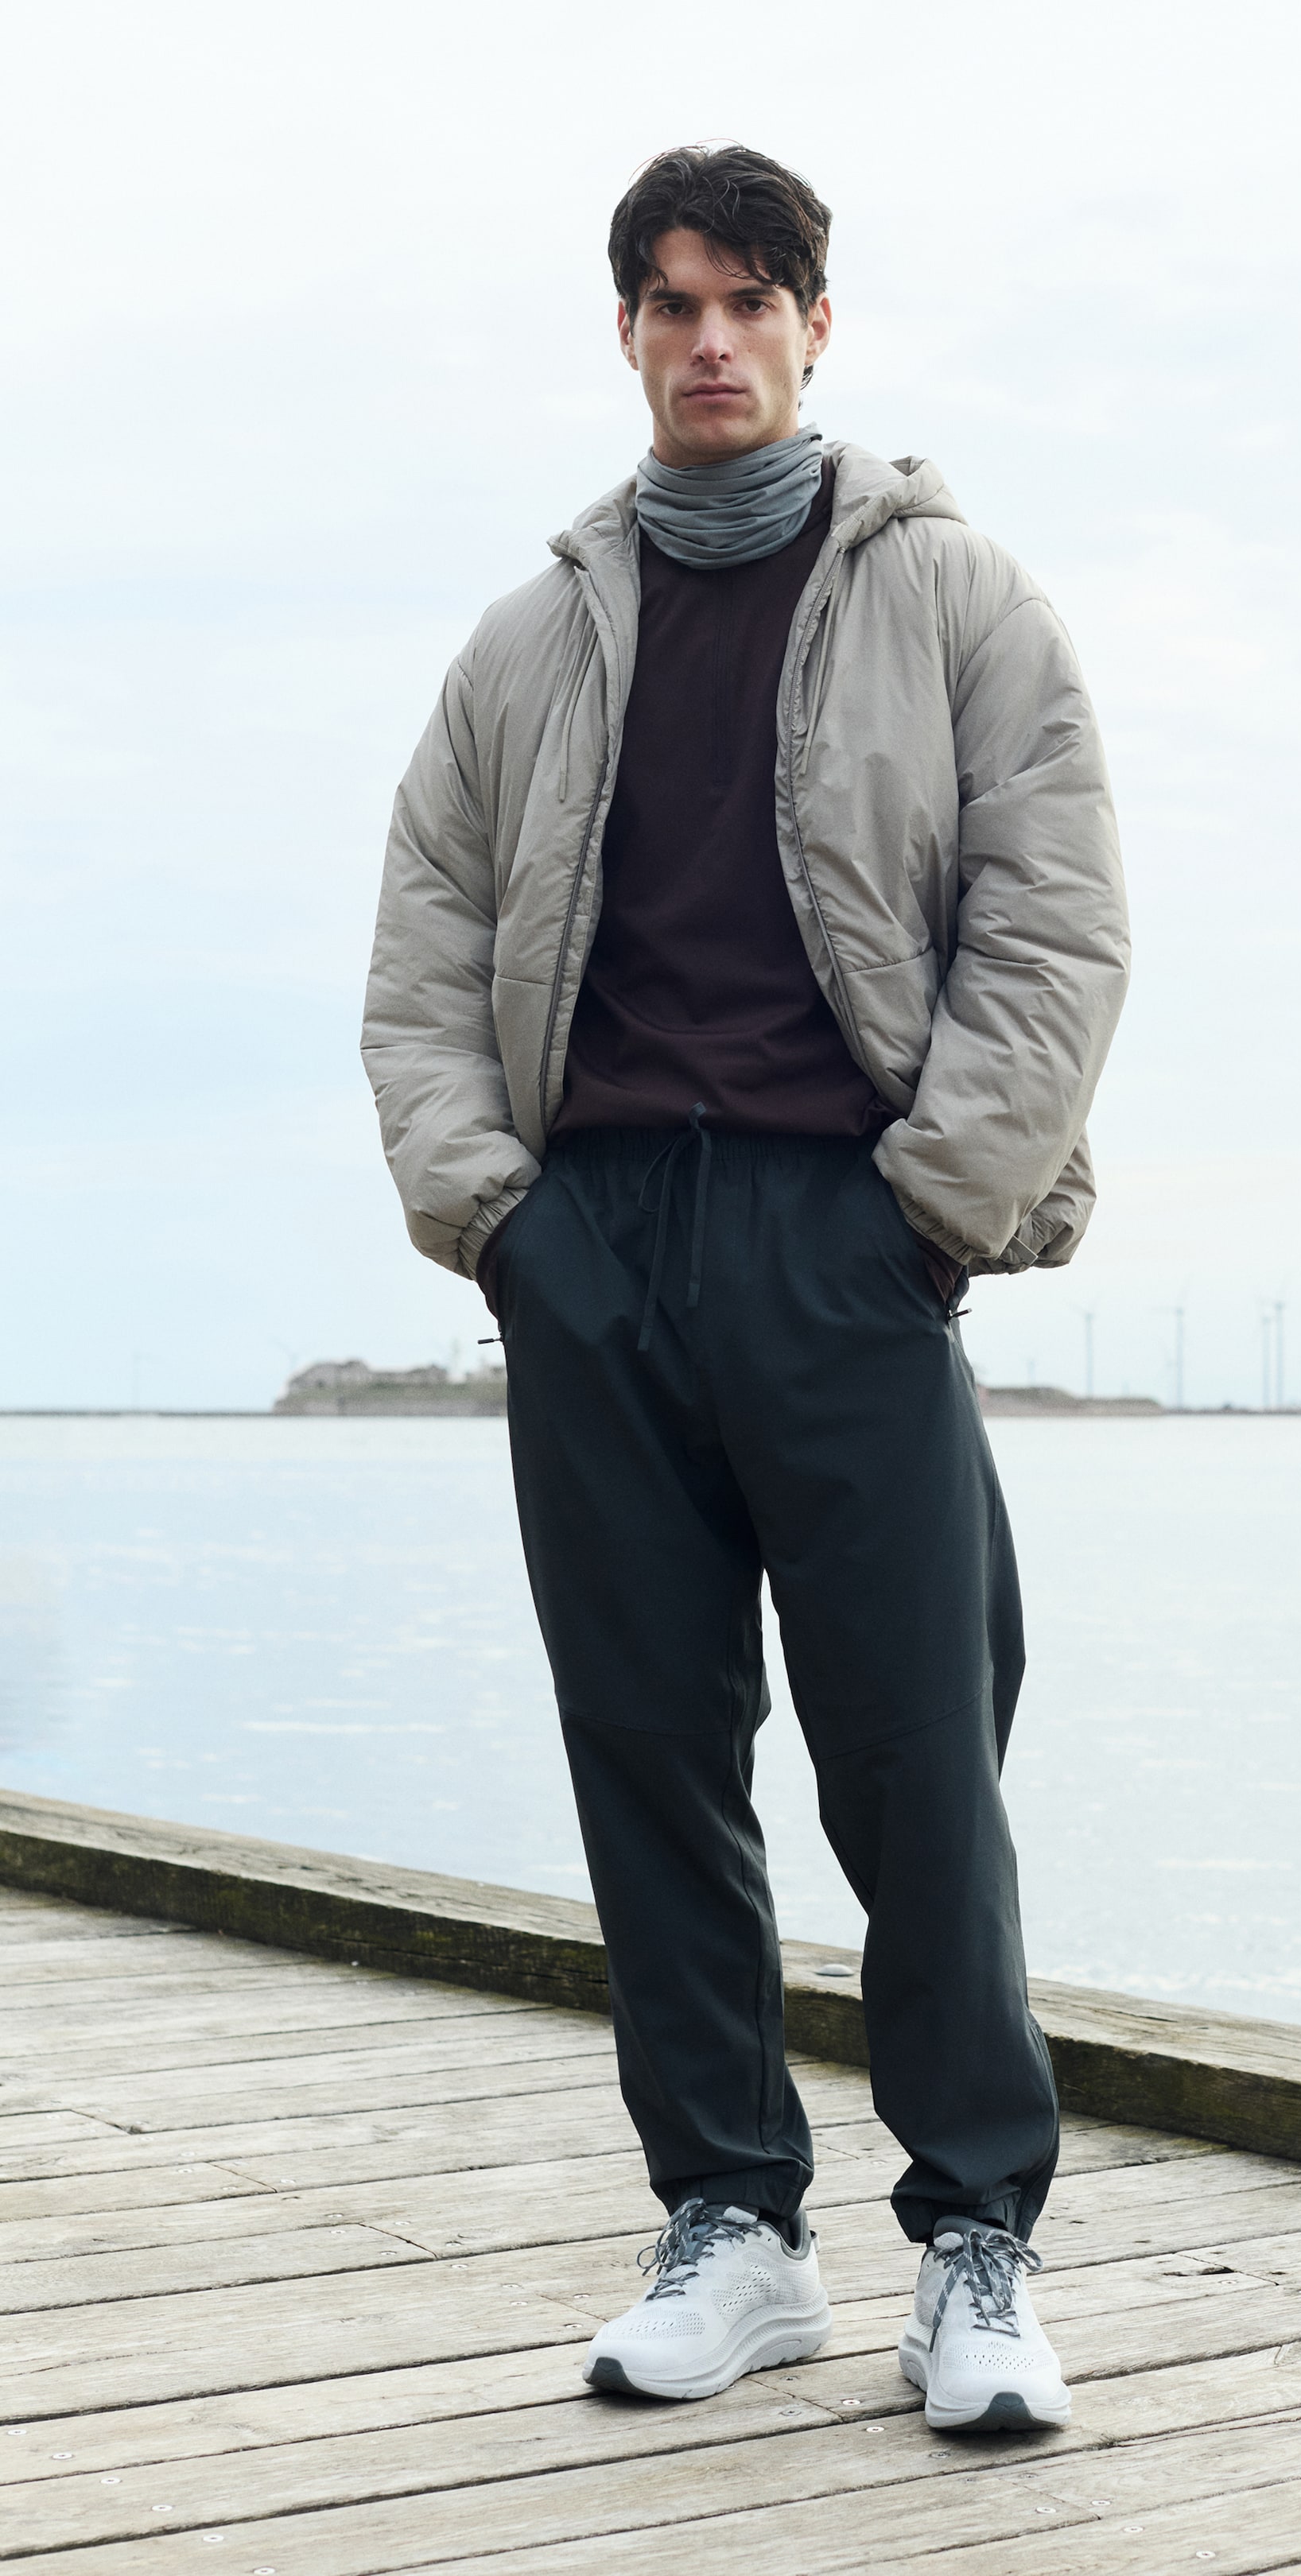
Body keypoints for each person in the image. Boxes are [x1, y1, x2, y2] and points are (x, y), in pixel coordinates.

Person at [363, 143, 1128, 2434]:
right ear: (624, 333)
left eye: (751, 300)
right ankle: (734, 2225)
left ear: (816, 327)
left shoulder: (959, 596)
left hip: (846, 1233)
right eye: (670, 303)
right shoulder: (530, 637)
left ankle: (976, 2241)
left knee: (918, 1759)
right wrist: (500, 1222)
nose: (711, 340)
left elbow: (1055, 922)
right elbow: (419, 949)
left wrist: (923, 1213)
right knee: (649, 1751)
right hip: (592, 1245)